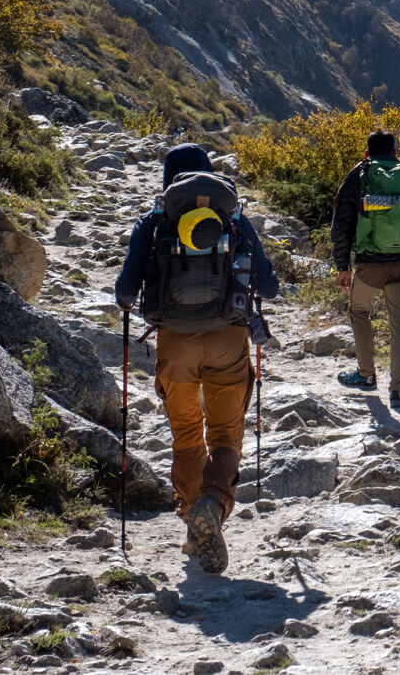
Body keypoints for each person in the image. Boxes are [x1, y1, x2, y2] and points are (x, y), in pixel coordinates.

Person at [114, 143, 279, 574]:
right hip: (229, 338)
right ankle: (213, 505)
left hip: (175, 346)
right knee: (226, 433)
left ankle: (192, 518)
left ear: (168, 179)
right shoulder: (234, 218)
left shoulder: (154, 220)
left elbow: (125, 292)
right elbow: (270, 286)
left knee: (187, 433)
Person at [330, 129, 400, 407]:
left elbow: (341, 225)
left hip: (370, 263)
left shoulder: (359, 176)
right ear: (394, 153)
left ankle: (366, 375)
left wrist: (342, 265)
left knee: (359, 311)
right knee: (398, 323)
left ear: (367, 153)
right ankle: (398, 390)